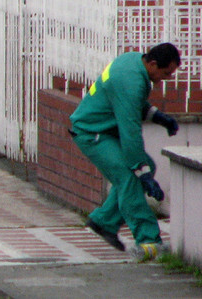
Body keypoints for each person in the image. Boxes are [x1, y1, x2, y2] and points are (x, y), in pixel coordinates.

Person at [70, 43, 181, 261]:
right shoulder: (131, 80)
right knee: (131, 178)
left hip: (103, 129)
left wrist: (159, 117)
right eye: (166, 73)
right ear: (152, 63)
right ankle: (148, 240)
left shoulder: (133, 62)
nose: (166, 78)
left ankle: (103, 222)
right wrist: (144, 174)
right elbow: (130, 133)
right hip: (92, 133)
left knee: (142, 169)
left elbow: (131, 103)